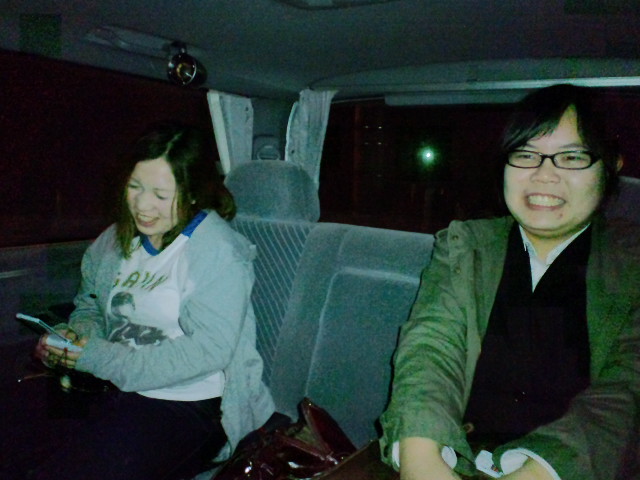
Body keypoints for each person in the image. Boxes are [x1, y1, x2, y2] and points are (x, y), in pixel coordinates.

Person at [380, 84, 639, 480]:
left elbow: (627, 389)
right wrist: (421, 456)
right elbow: (430, 349)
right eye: (525, 155)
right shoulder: (466, 246)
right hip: (459, 456)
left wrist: (541, 471)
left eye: (572, 157)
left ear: (610, 166)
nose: (544, 175)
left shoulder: (631, 262)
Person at [1, 122, 275, 479]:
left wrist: (96, 357)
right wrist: (74, 340)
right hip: (107, 385)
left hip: (187, 403)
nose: (143, 205)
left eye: (161, 195)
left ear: (193, 193)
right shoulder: (113, 241)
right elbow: (91, 305)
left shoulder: (218, 251)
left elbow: (209, 350)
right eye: (135, 187)